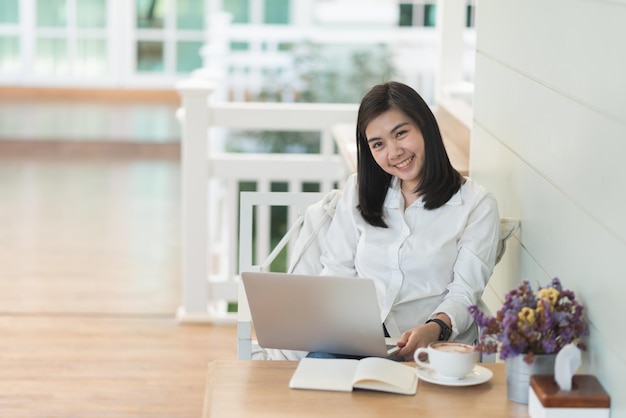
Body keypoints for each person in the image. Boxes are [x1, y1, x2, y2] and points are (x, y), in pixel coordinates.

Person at [314, 81, 501, 361]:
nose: (394, 153)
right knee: (317, 381)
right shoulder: (358, 191)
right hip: (357, 342)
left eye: (400, 134)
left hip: (432, 351)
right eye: (378, 144)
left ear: (425, 127)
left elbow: (464, 293)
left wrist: (435, 327)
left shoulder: (476, 204)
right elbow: (336, 271)